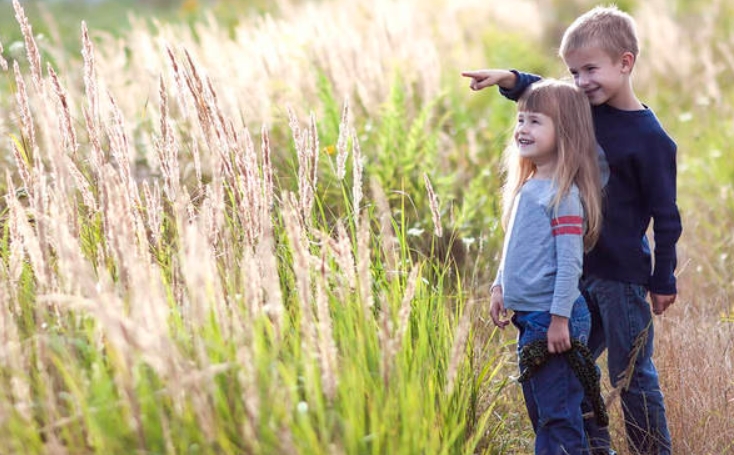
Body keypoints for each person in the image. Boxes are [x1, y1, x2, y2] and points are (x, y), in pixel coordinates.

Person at [463, 5, 682, 455]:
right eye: (573, 71)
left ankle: (651, 450)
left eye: (590, 70)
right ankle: (591, 446)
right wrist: (508, 77)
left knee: (632, 373)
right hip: (577, 272)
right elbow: (547, 94)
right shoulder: (583, 105)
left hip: (622, 276)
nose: (581, 82)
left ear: (626, 62)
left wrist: (663, 279)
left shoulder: (652, 139)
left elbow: (667, 216)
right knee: (577, 365)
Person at [488, 79, 603, 455]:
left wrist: (559, 318)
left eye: (535, 121)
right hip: (530, 319)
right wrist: (499, 285)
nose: (522, 128)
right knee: (541, 413)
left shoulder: (564, 195)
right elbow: (514, 246)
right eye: (521, 120)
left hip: (554, 318)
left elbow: (570, 264)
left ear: (564, 131)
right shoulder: (528, 185)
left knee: (559, 416)